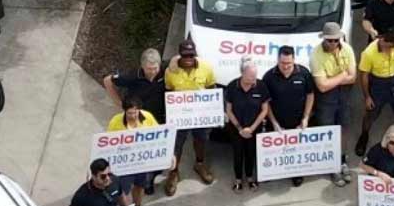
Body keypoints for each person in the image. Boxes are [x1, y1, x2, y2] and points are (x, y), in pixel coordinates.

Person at [102, 49, 167, 195]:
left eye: (155, 68)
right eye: (149, 69)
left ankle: (149, 180)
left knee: (156, 154)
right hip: (137, 121)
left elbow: (177, 59)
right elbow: (108, 80)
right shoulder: (131, 76)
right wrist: (120, 104)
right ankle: (136, 182)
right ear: (142, 66)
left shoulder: (165, 70)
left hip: (158, 120)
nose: (153, 72)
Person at [162, 40, 217, 195]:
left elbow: (211, 88)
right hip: (180, 117)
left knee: (201, 140)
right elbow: (168, 91)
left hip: (200, 115)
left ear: (195, 54)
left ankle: (199, 164)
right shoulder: (170, 71)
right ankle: (174, 173)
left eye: (191, 55)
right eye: (185, 55)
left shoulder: (206, 68)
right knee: (177, 144)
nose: (188, 58)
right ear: (180, 55)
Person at [260, 46, 318, 187]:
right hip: (276, 123)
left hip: (297, 122)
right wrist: (273, 122)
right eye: (282, 63)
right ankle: (270, 171)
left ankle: (296, 173)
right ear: (277, 60)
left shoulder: (304, 73)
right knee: (275, 151)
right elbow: (265, 102)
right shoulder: (268, 77)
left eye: (288, 63)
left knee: (296, 150)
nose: (285, 66)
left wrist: (305, 118)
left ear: (294, 60)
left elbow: (310, 95)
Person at [310, 21, 358, 187]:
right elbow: (322, 87)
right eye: (330, 40)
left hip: (344, 95)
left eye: (336, 40)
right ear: (324, 39)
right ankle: (332, 165)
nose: (333, 43)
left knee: (344, 128)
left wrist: (333, 80)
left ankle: (342, 159)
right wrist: (342, 75)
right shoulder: (316, 54)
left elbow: (353, 77)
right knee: (328, 131)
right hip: (326, 99)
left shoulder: (348, 49)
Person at [357, 28, 394, 158]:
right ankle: (364, 136)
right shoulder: (369, 53)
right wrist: (367, 97)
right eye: (391, 47)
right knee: (370, 114)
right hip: (378, 86)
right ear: (384, 41)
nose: (393, 49)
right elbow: (364, 76)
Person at [104, 98, 161, 206]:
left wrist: (170, 155)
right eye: (129, 113)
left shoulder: (148, 117)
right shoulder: (116, 122)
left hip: (142, 161)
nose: (133, 116)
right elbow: (107, 145)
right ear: (124, 111)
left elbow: (160, 136)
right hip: (124, 163)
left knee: (140, 186)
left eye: (135, 112)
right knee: (123, 190)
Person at [224, 58, 272, 193]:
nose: (254, 79)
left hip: (253, 129)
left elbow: (264, 110)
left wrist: (251, 128)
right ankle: (238, 179)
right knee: (238, 153)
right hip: (236, 129)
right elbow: (228, 110)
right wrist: (240, 128)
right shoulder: (232, 86)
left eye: (255, 75)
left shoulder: (261, 86)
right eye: (251, 76)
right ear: (242, 73)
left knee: (250, 153)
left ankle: (250, 178)